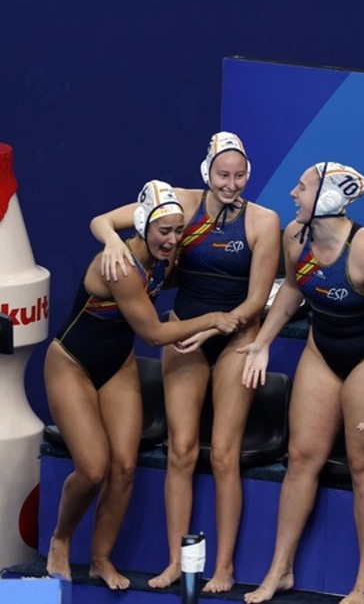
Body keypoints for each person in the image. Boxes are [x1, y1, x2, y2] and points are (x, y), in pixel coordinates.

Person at [90, 132, 281, 592]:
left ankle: (225, 568)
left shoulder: (264, 220)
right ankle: (177, 561)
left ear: (248, 175)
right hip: (183, 333)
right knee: (181, 450)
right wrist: (114, 245)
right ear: (207, 172)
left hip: (235, 335)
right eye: (222, 175)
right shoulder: (181, 204)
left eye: (238, 176)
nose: (231, 184)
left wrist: (216, 327)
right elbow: (102, 220)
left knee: (224, 455)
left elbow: (258, 298)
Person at [44, 180, 242, 589]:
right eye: (163, 232)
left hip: (117, 364)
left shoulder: (164, 260)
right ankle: (61, 539)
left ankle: (101, 558)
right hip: (72, 364)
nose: (171, 241)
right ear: (142, 229)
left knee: (125, 467)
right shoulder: (118, 266)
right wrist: (212, 319)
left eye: (177, 231)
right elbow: (153, 334)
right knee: (94, 468)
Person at [240, 163, 364, 604]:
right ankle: (279, 569)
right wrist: (262, 342)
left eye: (301, 188)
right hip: (322, 352)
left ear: (326, 198)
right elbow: (293, 290)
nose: (292, 193)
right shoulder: (294, 237)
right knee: (301, 457)